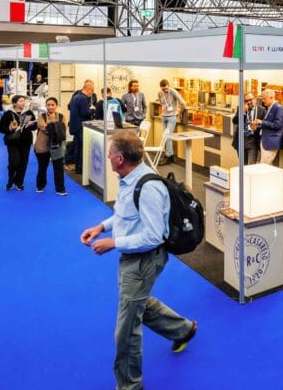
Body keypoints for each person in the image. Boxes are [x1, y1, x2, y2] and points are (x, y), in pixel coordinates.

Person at [79, 131, 197, 390]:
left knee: (126, 329)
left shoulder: (148, 188)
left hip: (145, 260)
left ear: (120, 158)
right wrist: (102, 226)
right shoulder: (129, 180)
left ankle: (129, 386)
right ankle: (183, 330)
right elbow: (126, 216)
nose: (108, 157)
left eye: (110, 153)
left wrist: (114, 243)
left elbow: (153, 236)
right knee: (135, 304)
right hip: (133, 257)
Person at [0, 95, 36, 191]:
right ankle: (11, 180)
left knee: (23, 162)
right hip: (13, 141)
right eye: (20, 101)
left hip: (26, 141)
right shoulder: (8, 114)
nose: (23, 103)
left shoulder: (29, 113)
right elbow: (0, 128)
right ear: (14, 103)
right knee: (14, 162)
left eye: (24, 101)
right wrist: (10, 128)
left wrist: (31, 125)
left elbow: (35, 127)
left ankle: (19, 182)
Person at [35, 97, 68, 195]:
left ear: (56, 106)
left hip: (57, 146)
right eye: (48, 105)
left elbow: (63, 128)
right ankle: (40, 185)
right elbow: (43, 127)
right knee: (42, 167)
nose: (50, 107)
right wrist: (56, 127)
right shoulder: (42, 116)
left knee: (59, 168)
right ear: (46, 106)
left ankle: (60, 189)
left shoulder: (62, 116)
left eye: (52, 104)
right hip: (42, 146)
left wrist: (52, 127)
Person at [67, 79, 96, 171]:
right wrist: (93, 110)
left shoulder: (76, 97)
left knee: (78, 147)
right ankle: (80, 167)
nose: (91, 94)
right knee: (82, 148)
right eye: (92, 91)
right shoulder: (83, 98)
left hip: (75, 126)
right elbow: (85, 112)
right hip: (81, 127)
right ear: (88, 89)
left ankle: (78, 167)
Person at [156, 79, 186, 166]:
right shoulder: (159, 93)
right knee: (165, 136)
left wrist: (179, 112)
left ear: (169, 86)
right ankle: (170, 155)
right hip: (164, 116)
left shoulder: (173, 92)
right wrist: (163, 111)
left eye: (166, 88)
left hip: (172, 117)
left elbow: (183, 103)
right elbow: (161, 103)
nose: (165, 90)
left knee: (168, 137)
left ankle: (168, 156)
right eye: (163, 89)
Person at [231, 93, 264, 165]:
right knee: (243, 165)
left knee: (251, 165)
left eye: (250, 100)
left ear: (255, 99)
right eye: (246, 101)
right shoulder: (241, 108)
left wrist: (256, 127)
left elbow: (263, 124)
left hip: (253, 141)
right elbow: (234, 121)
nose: (248, 102)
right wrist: (243, 112)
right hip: (241, 140)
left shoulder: (262, 110)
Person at [255, 88, 283, 165]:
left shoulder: (279, 108)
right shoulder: (269, 108)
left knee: (263, 167)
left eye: (264, 98)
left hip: (270, 143)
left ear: (272, 97)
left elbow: (277, 125)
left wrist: (261, 122)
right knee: (267, 167)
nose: (263, 101)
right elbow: (267, 124)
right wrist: (256, 126)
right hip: (265, 141)